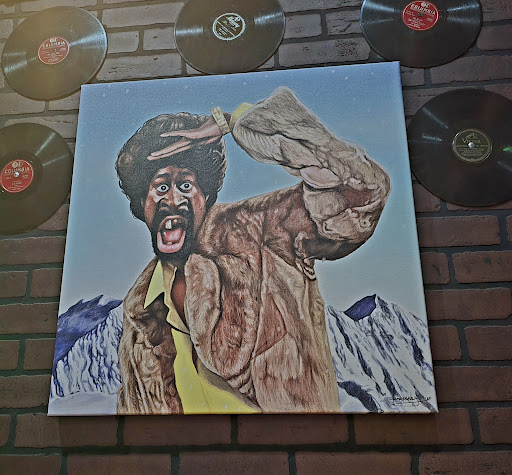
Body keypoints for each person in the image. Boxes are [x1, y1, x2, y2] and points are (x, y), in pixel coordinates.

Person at [114, 87, 391, 414]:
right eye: (161, 186)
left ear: (206, 195)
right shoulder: (140, 308)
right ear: (142, 202)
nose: (173, 200)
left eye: (186, 185)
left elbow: (361, 191)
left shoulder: (262, 229)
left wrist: (238, 121)